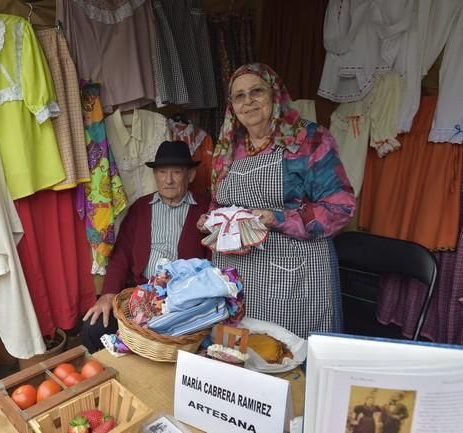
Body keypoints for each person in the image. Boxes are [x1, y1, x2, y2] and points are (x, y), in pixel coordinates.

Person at [200, 63, 356, 338]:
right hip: (235, 276)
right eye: (239, 96)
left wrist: (278, 218)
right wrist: (211, 219)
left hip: (291, 273)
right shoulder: (228, 146)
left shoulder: (309, 139)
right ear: (232, 105)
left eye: (256, 91)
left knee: (283, 355)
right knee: (237, 356)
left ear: (275, 94)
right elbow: (220, 201)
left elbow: (340, 207)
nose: (248, 101)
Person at [82, 140, 210, 352]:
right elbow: (121, 253)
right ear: (155, 175)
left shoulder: (205, 208)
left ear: (190, 175)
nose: (168, 180)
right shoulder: (141, 208)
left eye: (176, 172)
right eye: (162, 172)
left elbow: (212, 260)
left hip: (183, 302)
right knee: (94, 327)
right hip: (140, 296)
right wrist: (108, 294)